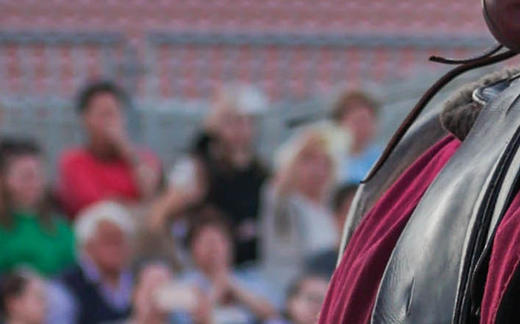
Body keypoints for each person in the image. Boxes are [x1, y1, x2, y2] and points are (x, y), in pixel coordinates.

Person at [171, 93, 269, 270]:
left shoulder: (260, 171)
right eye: (234, 121)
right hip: (208, 262)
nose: (241, 128)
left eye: (247, 122)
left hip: (251, 264)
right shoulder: (200, 167)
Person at [49, 200, 141, 324]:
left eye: (121, 240)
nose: (116, 247)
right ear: (87, 245)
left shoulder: (139, 278)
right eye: (108, 240)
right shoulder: (68, 286)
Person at [55, 80, 161, 220]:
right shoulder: (73, 161)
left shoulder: (144, 159)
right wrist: (133, 206)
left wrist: (126, 150)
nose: (110, 122)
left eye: (114, 113)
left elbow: (153, 196)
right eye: (103, 114)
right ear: (86, 119)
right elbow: (92, 206)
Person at [258, 129, 343, 299]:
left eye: (323, 163)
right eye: (308, 161)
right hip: (292, 288)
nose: (317, 170)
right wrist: (302, 147)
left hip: (332, 283)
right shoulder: (283, 204)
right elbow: (278, 189)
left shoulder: (332, 207)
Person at [0, 144, 74, 284]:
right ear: (4, 180)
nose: (33, 183)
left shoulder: (62, 230)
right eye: (25, 176)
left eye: (37, 175)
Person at [332, 85, 386, 192]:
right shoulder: (332, 159)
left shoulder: (382, 157)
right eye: (356, 121)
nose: (362, 127)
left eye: (366, 120)